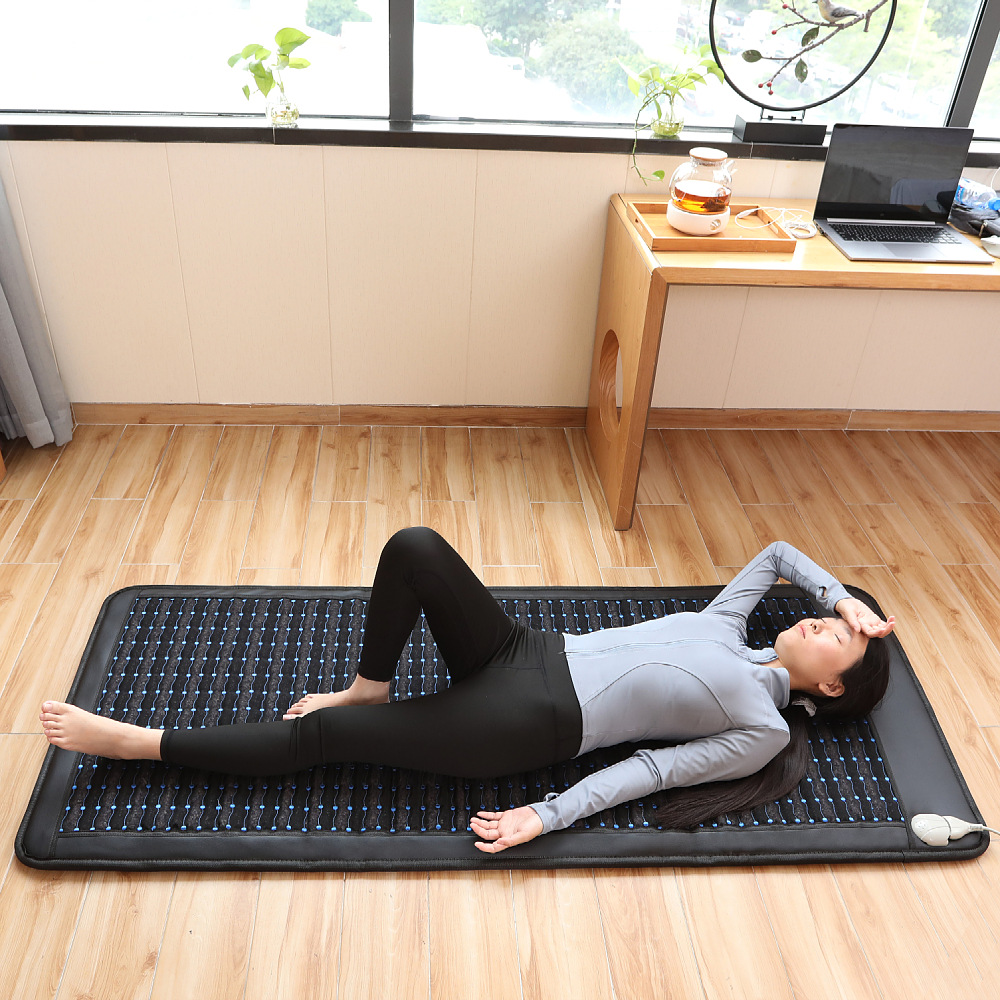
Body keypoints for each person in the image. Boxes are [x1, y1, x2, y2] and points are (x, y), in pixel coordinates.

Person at [40, 527, 894, 854]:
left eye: (838, 638)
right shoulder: (727, 626)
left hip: (525, 720)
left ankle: (140, 743)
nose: (824, 623)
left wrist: (548, 814)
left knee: (324, 741)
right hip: (525, 650)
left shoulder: (762, 730)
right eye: (834, 619)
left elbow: (653, 774)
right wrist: (843, 596)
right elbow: (777, 553)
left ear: (830, 685)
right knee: (414, 547)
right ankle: (368, 687)